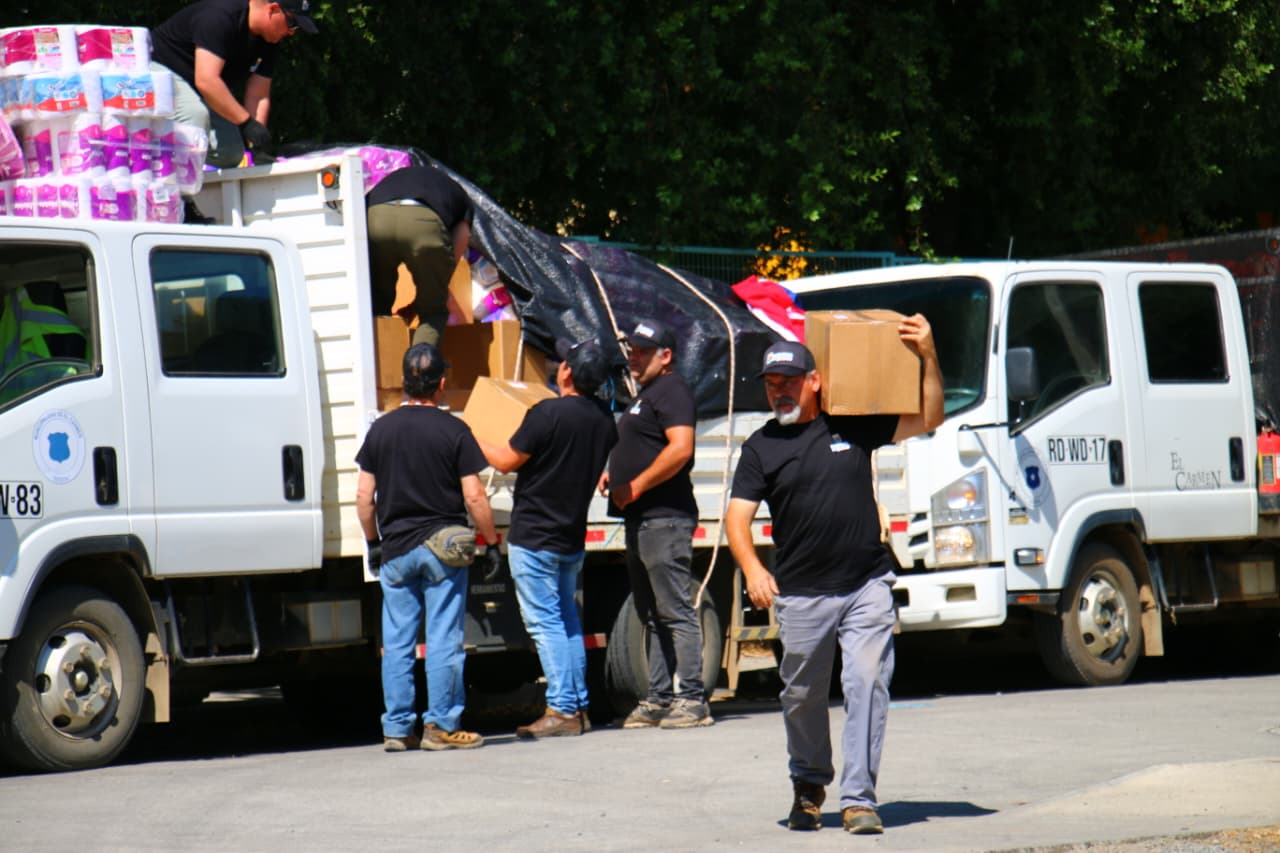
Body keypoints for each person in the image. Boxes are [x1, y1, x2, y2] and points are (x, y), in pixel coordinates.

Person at [724, 323, 944, 835]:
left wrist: (928, 355)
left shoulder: (853, 425)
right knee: (801, 696)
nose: (780, 389)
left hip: (866, 583)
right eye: (772, 382)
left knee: (867, 682)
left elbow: (930, 415)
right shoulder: (761, 448)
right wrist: (754, 568)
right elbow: (737, 519)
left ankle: (858, 799)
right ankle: (808, 783)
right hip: (801, 593)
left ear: (816, 381)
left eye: (790, 379)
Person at [355, 342, 502, 752]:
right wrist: (490, 543)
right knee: (443, 640)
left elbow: (364, 498)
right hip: (443, 551)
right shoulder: (455, 430)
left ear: (404, 382)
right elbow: (475, 497)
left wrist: (373, 543)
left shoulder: (380, 430)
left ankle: (398, 729)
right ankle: (440, 725)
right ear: (441, 384)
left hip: (397, 552)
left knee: (398, 642)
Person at [474, 338, 617, 738]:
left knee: (546, 624)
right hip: (570, 537)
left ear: (567, 372)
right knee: (568, 622)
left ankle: (561, 710)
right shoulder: (604, 421)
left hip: (535, 534)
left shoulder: (547, 413)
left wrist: (469, 433)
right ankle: (578, 707)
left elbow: (504, 460)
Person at [600, 319, 711, 729]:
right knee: (651, 613)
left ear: (666, 356)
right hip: (641, 518)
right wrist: (614, 473)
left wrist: (638, 484)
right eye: (632, 349)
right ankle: (659, 699)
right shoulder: (646, 395)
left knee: (675, 611)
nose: (635, 356)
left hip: (665, 518)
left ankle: (694, 700)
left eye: (644, 351)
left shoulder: (673, 391)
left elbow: (681, 449)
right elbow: (645, 445)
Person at [151, 0, 318, 170]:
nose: (291, 32)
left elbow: (258, 94)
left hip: (196, 88)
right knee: (194, 115)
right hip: (156, 72)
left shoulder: (269, 40)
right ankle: (177, 188)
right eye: (291, 23)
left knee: (230, 152)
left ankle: (172, 160)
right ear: (273, 9)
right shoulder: (221, 17)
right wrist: (246, 123)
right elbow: (207, 81)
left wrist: (257, 145)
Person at [365, 165, 474, 348]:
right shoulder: (460, 196)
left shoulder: (397, 178)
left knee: (378, 303)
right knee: (433, 312)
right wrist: (435, 288)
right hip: (424, 220)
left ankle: (379, 366)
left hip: (375, 217)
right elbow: (462, 237)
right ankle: (419, 372)